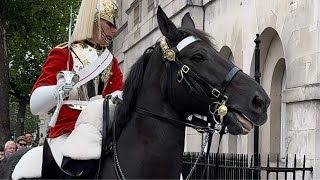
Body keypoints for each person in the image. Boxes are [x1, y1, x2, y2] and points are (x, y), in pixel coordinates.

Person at [29, 0, 123, 176]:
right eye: (110, 23)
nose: (115, 29)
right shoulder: (64, 53)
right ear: (93, 20)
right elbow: (35, 105)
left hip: (101, 130)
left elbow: (116, 95)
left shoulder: (111, 62)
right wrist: (57, 90)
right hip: (67, 130)